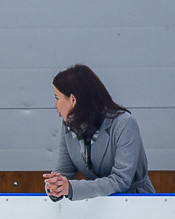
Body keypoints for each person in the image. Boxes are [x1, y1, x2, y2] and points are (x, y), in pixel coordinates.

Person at [43, 64, 155, 201]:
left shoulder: (124, 123)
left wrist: (71, 188)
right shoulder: (68, 126)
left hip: (136, 203)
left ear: (73, 99)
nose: (55, 105)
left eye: (57, 98)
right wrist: (55, 186)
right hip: (97, 204)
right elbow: (63, 171)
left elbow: (121, 180)